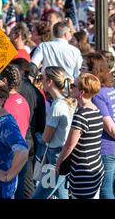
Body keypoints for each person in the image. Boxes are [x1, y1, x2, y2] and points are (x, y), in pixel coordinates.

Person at [83, 52, 115, 199]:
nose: (81, 71)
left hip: (107, 149)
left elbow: (110, 126)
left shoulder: (98, 94)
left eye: (84, 68)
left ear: (93, 71)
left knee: (105, 192)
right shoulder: (111, 90)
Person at [56, 73, 104, 199]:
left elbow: (69, 146)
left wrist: (58, 163)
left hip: (83, 172)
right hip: (96, 167)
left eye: (73, 86)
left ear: (81, 92)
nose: (71, 88)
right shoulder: (97, 111)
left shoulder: (81, 116)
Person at [32, 66, 77, 199]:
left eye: (42, 78)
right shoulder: (67, 101)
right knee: (62, 194)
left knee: (39, 196)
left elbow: (46, 137)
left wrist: (37, 135)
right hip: (62, 155)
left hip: (54, 159)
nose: (41, 81)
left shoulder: (57, 105)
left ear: (50, 82)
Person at [0, 65, 31, 199]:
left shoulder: (5, 104)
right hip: (21, 154)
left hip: (8, 158)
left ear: (5, 81)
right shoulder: (23, 101)